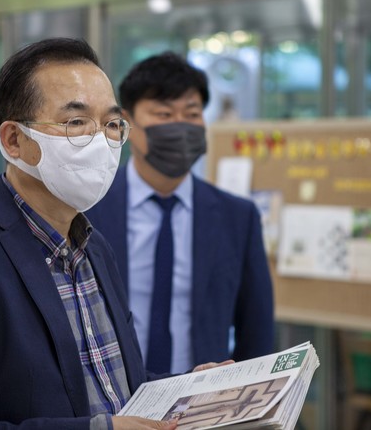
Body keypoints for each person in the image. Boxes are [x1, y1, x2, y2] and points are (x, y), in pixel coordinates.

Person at [0, 38, 226, 429]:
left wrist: (187, 390)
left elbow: (111, 388)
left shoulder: (93, 247)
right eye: (76, 123)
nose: (100, 141)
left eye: (111, 124)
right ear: (14, 140)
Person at [86, 52, 274, 375]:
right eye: (163, 113)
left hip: (204, 399)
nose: (180, 125)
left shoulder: (237, 217)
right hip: (111, 396)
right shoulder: (88, 209)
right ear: (125, 123)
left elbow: (257, 333)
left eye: (191, 113)